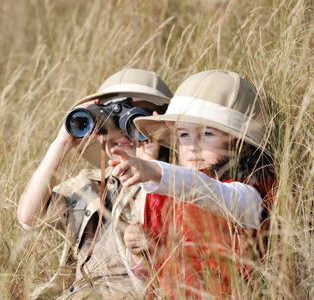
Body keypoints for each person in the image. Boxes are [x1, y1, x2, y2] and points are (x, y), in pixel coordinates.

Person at [109, 70, 276, 298]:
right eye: (184, 135)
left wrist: (154, 170)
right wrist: (140, 252)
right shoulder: (165, 200)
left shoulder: (248, 194)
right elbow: (150, 280)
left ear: (242, 144)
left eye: (208, 133)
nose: (193, 146)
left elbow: (207, 191)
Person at [17, 68, 173, 299]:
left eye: (136, 116)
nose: (120, 128)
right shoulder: (89, 184)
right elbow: (28, 218)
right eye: (107, 117)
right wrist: (61, 143)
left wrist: (149, 161)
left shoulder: (177, 182)